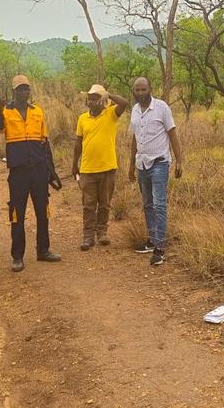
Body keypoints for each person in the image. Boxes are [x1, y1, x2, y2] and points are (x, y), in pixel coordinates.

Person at [0, 75, 61, 272]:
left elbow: (44, 142)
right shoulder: (6, 111)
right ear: (13, 91)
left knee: (42, 211)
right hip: (18, 171)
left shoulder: (37, 111)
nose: (24, 92)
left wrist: (51, 170)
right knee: (17, 213)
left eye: (26, 89)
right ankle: (17, 256)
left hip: (38, 169)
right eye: (20, 89)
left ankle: (43, 250)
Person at [128, 77, 183, 266]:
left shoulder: (162, 108)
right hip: (141, 164)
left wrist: (179, 162)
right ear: (133, 91)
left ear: (150, 89)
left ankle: (160, 247)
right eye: (137, 89)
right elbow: (135, 139)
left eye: (143, 89)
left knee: (159, 205)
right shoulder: (134, 110)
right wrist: (130, 166)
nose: (140, 92)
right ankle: (151, 240)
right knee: (147, 205)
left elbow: (172, 135)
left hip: (160, 163)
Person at [70, 84, 130, 251]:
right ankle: (88, 236)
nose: (93, 101)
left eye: (97, 98)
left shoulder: (111, 114)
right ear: (86, 101)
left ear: (103, 101)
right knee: (88, 205)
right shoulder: (82, 118)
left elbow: (124, 102)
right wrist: (74, 164)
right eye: (90, 98)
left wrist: (108, 95)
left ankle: (102, 232)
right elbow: (78, 143)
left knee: (104, 203)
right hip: (87, 169)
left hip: (107, 168)